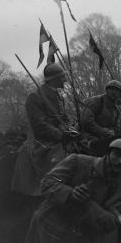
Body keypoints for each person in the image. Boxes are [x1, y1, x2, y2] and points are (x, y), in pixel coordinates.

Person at [11, 63, 77, 198]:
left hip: (60, 137)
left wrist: (71, 129)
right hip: (42, 142)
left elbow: (63, 118)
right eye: (62, 77)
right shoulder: (35, 97)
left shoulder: (59, 97)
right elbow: (40, 126)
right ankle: (51, 192)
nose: (65, 80)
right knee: (58, 164)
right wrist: (61, 135)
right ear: (54, 79)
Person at [80, 80, 121, 144]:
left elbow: (116, 128)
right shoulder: (94, 101)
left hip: (104, 140)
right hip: (87, 138)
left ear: (119, 94)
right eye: (111, 89)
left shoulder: (116, 109)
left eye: (117, 90)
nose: (114, 92)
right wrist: (103, 131)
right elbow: (86, 122)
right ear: (107, 90)